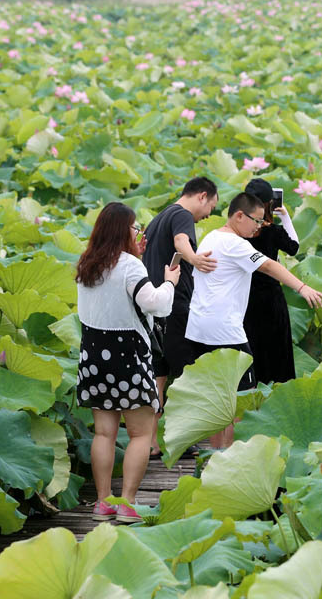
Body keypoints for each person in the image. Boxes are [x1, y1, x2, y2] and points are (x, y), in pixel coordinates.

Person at [186, 192, 322, 448]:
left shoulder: (211, 236)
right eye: (257, 220)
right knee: (242, 402)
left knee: (218, 401)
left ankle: (217, 457)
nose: (260, 226)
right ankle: (233, 460)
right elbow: (271, 266)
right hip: (225, 332)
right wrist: (302, 287)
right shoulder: (235, 244)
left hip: (198, 329)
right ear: (239, 216)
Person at [75, 202, 180, 523]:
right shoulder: (130, 266)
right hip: (128, 356)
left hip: (93, 356)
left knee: (104, 434)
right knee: (139, 434)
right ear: (123, 230)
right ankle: (128, 503)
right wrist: (170, 281)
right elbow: (156, 305)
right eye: (135, 228)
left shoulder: (87, 264)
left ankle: (103, 502)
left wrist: (134, 254)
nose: (139, 233)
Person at [141, 176, 219, 456]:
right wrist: (195, 259)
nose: (208, 214)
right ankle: (181, 440)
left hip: (154, 306)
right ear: (202, 196)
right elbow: (181, 240)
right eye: (211, 206)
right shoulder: (182, 214)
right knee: (188, 374)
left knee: (159, 373)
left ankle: (151, 443)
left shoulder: (158, 217)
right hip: (175, 305)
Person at [242, 178, 300, 385]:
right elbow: (294, 247)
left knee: (253, 350)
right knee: (278, 351)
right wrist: (285, 217)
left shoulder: (238, 232)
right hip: (271, 297)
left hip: (245, 297)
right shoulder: (271, 231)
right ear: (269, 204)